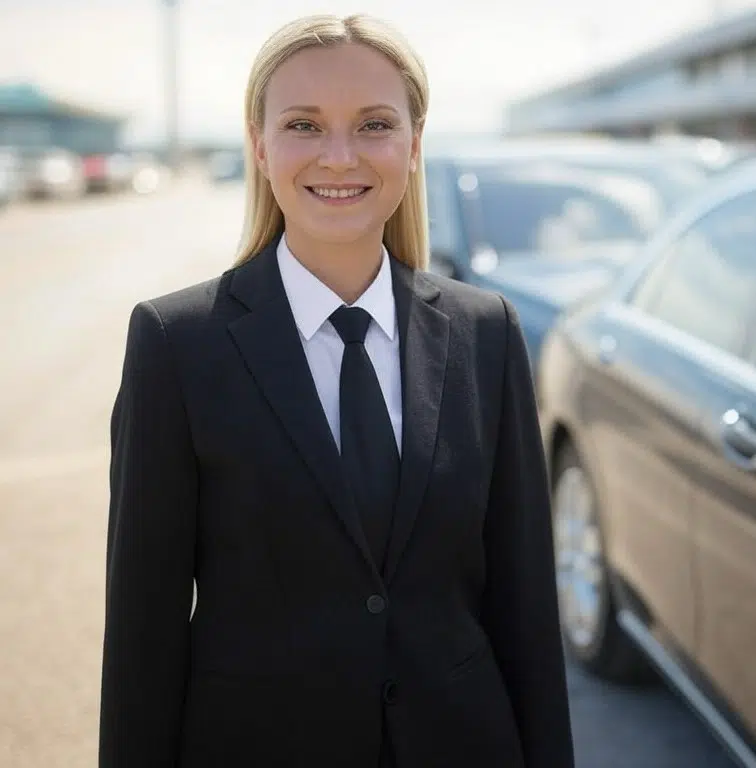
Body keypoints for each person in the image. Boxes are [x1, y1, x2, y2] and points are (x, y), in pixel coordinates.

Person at [98, 13, 575, 768]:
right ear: (259, 145)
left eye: (375, 124)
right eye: (304, 125)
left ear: (415, 145)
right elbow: (141, 638)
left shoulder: (486, 332)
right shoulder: (175, 344)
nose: (340, 155)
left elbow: (525, 612)